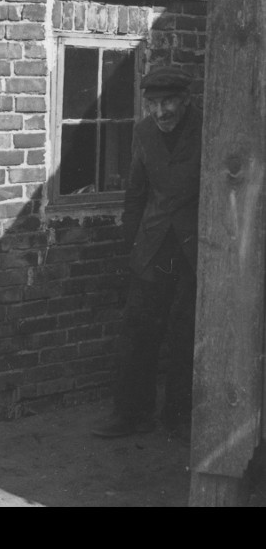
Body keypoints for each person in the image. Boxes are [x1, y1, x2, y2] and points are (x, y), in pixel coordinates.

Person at [91, 65, 201, 441]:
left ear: (185, 100)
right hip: (154, 247)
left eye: (168, 102)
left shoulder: (209, 128)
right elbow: (136, 194)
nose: (160, 112)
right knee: (138, 331)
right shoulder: (142, 133)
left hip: (195, 248)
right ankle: (131, 413)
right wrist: (132, 246)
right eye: (153, 104)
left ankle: (179, 416)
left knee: (188, 333)